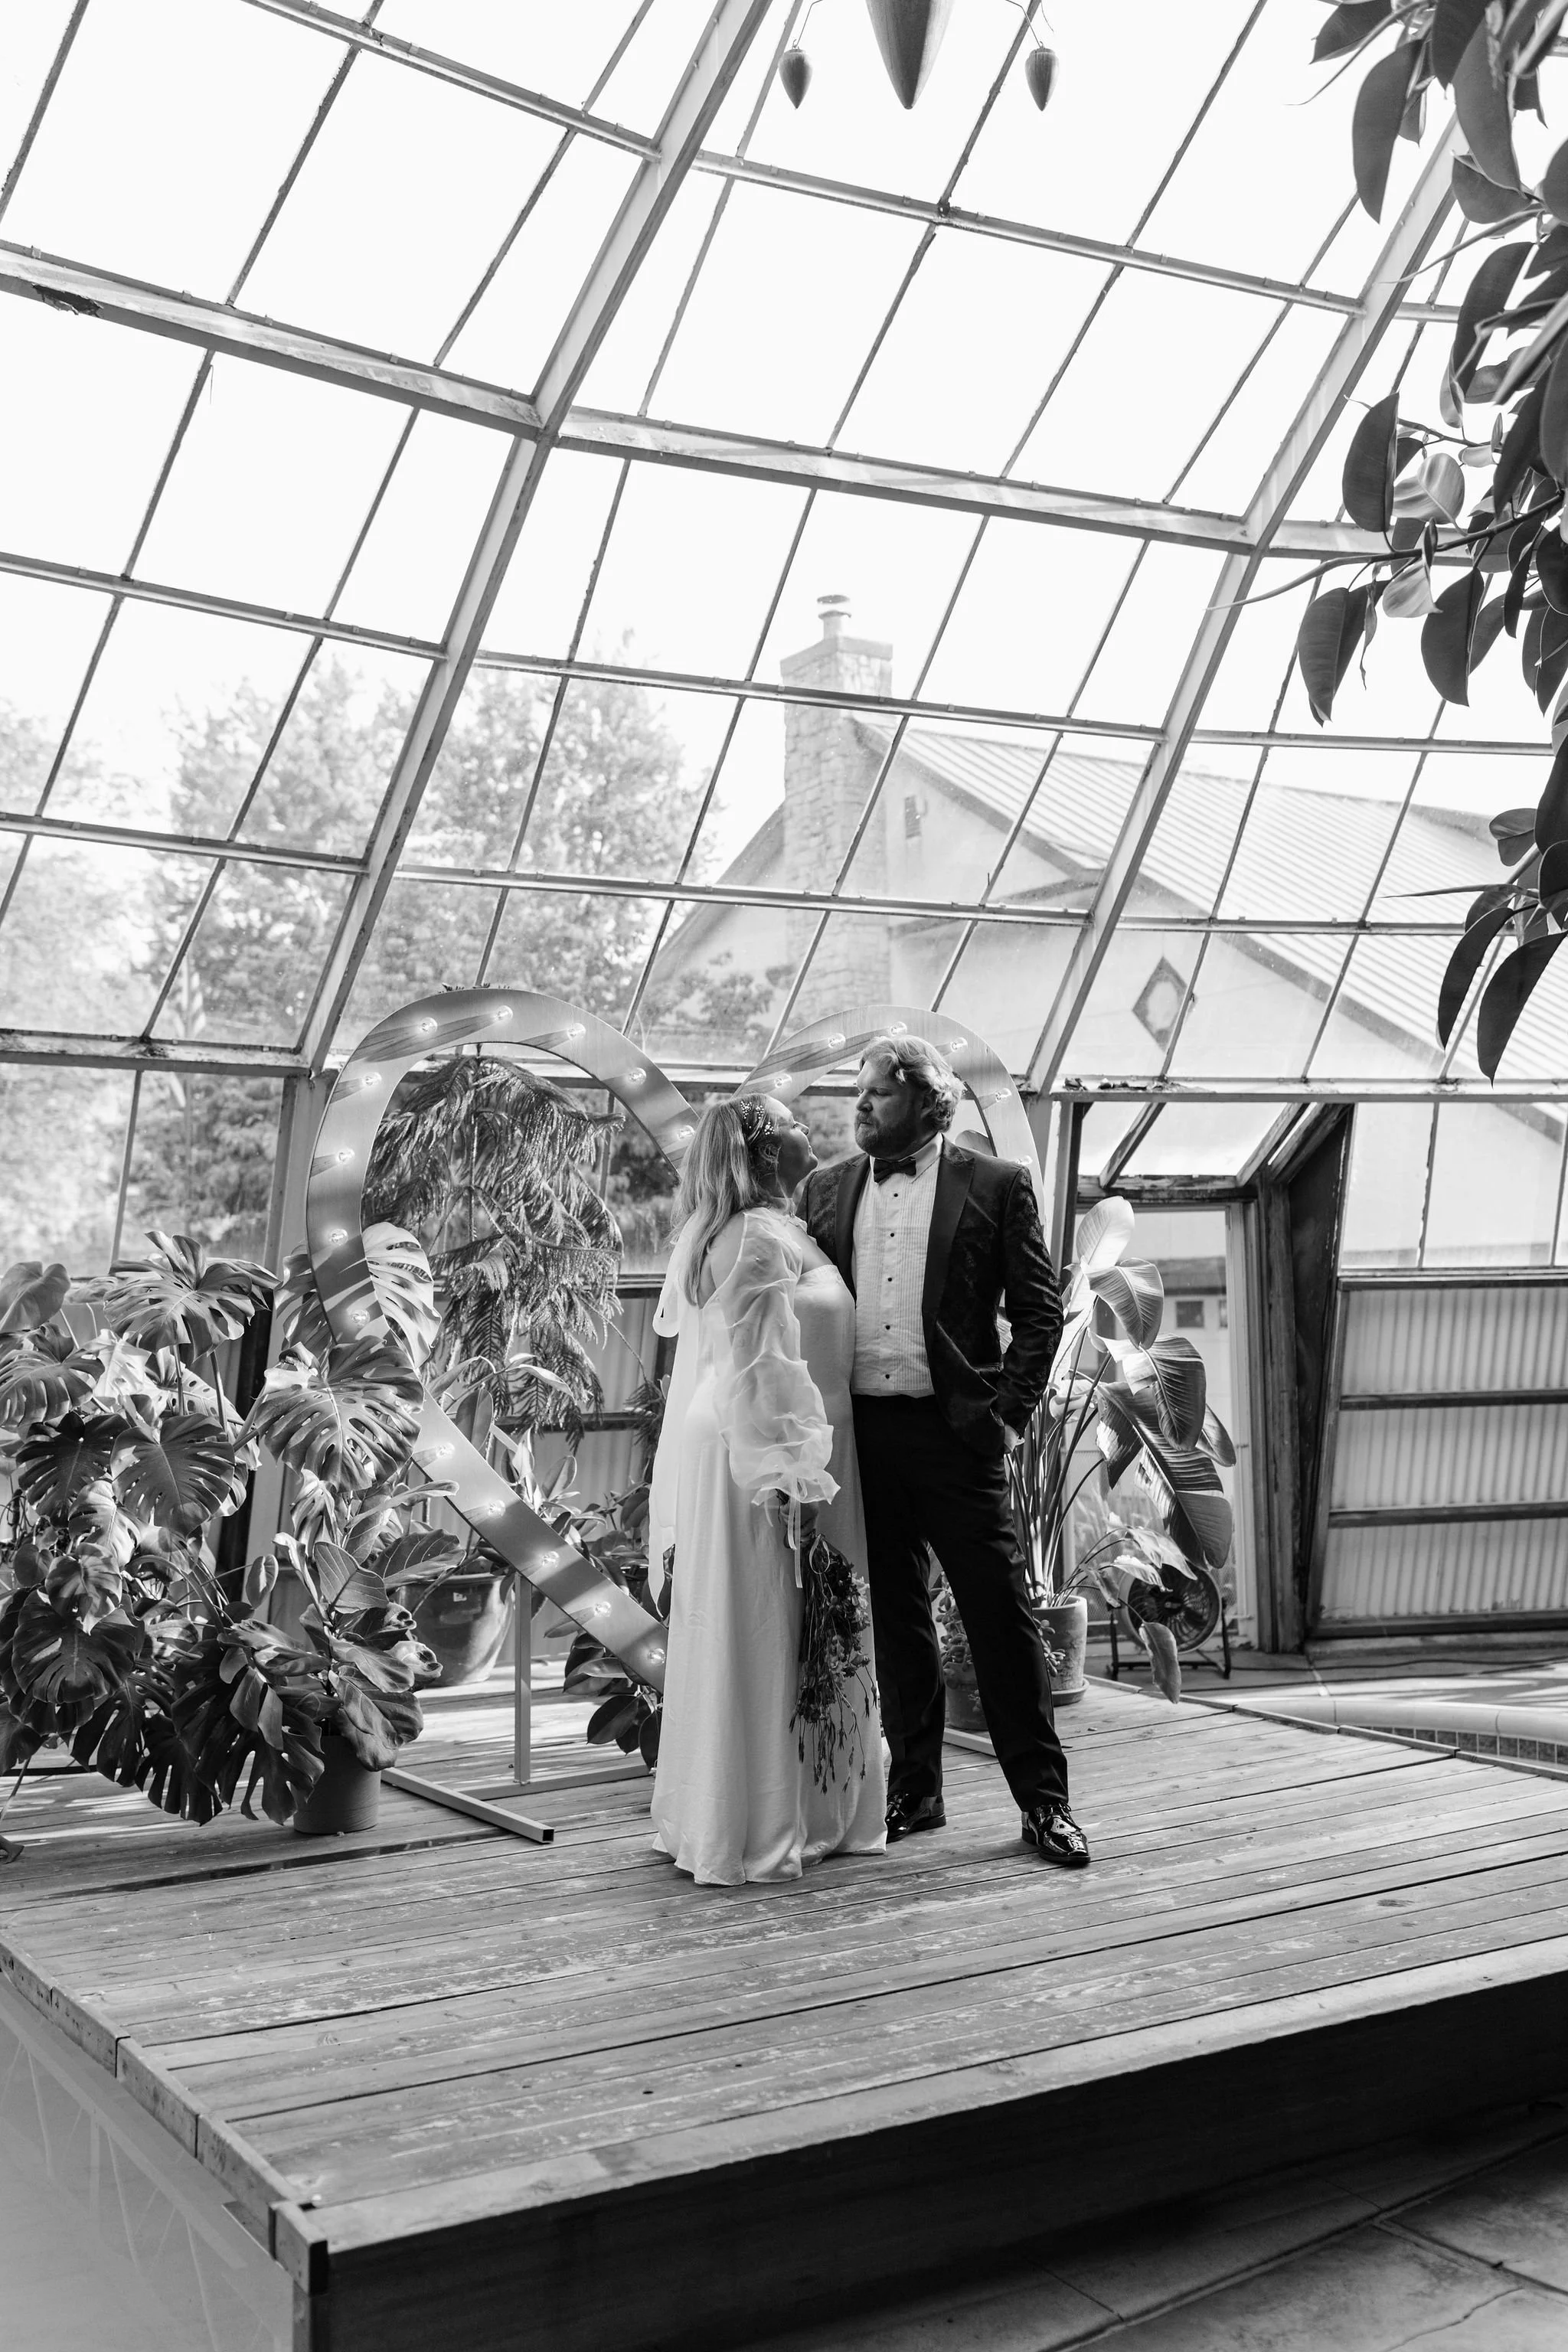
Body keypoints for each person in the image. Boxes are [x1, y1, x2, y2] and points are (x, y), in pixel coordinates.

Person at [799, 1036, 1090, 1869]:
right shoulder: (823, 1189)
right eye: (856, 1093)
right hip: (861, 1437)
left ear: (930, 1104)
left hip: (957, 1436)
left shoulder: (996, 1185)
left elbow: (1038, 1312)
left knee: (998, 1620)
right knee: (893, 1618)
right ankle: (914, 1791)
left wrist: (1006, 1417)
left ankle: (1044, 1805)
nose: (859, 1108)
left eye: (877, 1094)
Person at [648, 1093, 887, 1886]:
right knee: (763, 1625)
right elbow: (757, 1364)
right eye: (788, 1122)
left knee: (795, 1631)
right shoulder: (751, 1236)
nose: (803, 1127)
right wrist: (788, 1476)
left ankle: (805, 1801)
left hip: (801, 1447)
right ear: (761, 1148)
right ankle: (753, 1821)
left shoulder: (776, 1225)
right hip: (760, 1457)